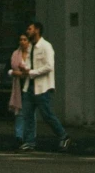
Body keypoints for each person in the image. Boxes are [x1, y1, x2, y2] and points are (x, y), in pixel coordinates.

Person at [19, 21, 70, 153]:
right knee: (28, 115)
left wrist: (31, 72)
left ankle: (63, 136)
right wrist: (24, 69)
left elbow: (49, 66)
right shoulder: (30, 47)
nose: (27, 31)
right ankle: (29, 142)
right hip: (29, 87)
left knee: (47, 115)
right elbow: (29, 64)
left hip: (42, 87)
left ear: (37, 30)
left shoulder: (46, 46)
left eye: (30, 28)